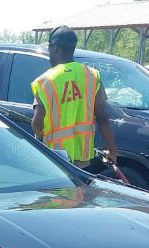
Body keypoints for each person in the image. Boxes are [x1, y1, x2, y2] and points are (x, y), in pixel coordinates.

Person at [31, 26, 118, 170]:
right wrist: (113, 152)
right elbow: (102, 116)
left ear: (57, 48)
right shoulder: (91, 75)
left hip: (55, 159)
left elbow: (37, 124)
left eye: (50, 48)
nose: (49, 53)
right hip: (83, 160)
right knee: (80, 193)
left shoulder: (44, 81)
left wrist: (40, 135)